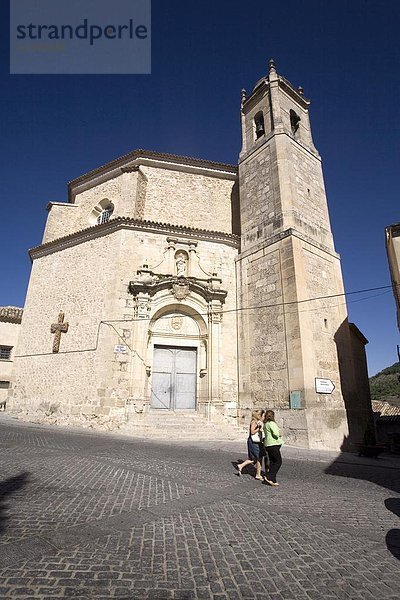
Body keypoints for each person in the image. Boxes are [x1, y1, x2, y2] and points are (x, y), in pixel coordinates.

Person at [236, 409, 265, 480]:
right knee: (258, 458)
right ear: (259, 415)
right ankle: (258, 474)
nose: (264, 417)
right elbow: (252, 432)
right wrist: (259, 428)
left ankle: (241, 466)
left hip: (256, 442)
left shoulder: (257, 422)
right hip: (253, 442)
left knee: (256, 458)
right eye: (263, 415)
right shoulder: (254, 422)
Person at [263, 410, 283, 486]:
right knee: (278, 462)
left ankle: (273, 480)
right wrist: (279, 434)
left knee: (272, 462)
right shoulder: (272, 423)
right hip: (273, 444)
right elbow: (275, 434)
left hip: (268, 444)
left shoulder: (265, 424)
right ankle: (269, 476)